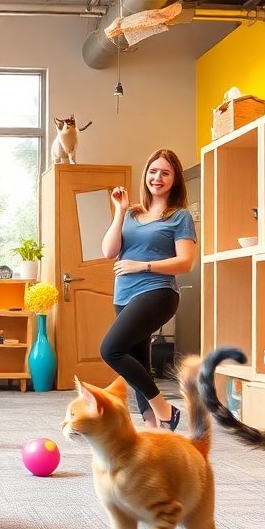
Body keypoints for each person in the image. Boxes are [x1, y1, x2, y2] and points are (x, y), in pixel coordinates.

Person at [100, 148, 197, 430]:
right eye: (153, 171)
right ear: (146, 175)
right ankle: (154, 428)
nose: (157, 177)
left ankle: (165, 410)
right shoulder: (131, 213)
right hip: (124, 295)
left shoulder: (179, 217)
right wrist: (119, 211)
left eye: (165, 173)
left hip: (158, 292)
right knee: (139, 361)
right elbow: (109, 251)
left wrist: (142, 266)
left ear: (175, 180)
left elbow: (185, 262)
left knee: (111, 350)